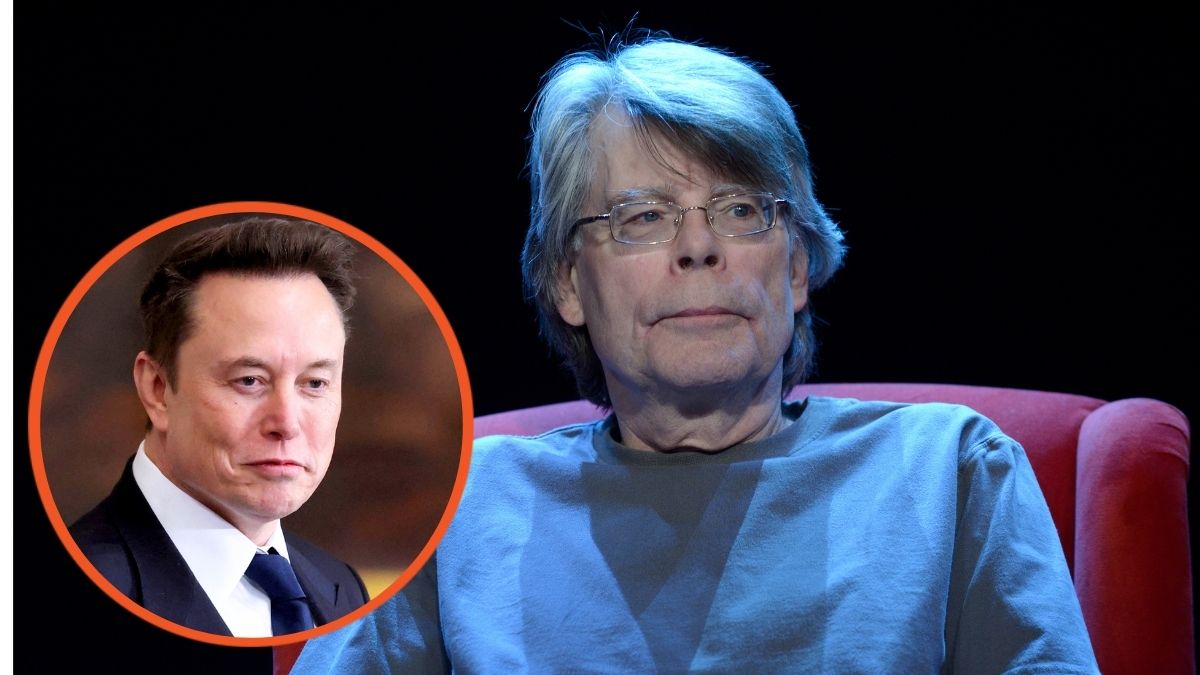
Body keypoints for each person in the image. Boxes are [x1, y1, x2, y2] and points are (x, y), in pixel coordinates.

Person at [295, 36, 1098, 671]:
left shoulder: (950, 471)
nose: (699, 246)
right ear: (568, 281)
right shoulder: (453, 509)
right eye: (642, 217)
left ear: (794, 268)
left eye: (741, 208)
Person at [70, 215, 369, 637]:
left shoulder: (341, 588)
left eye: (315, 383)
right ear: (157, 389)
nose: (286, 423)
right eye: (249, 380)